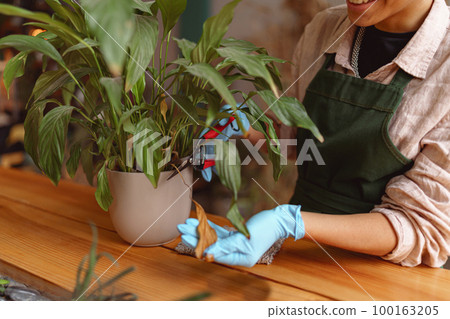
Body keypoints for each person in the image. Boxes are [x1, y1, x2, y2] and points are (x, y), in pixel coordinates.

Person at [178, 0, 449, 268]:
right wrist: (248, 126)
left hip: (384, 275)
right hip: (300, 251)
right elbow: (301, 142)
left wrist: (289, 222)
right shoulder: (326, 28)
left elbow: (421, 227)